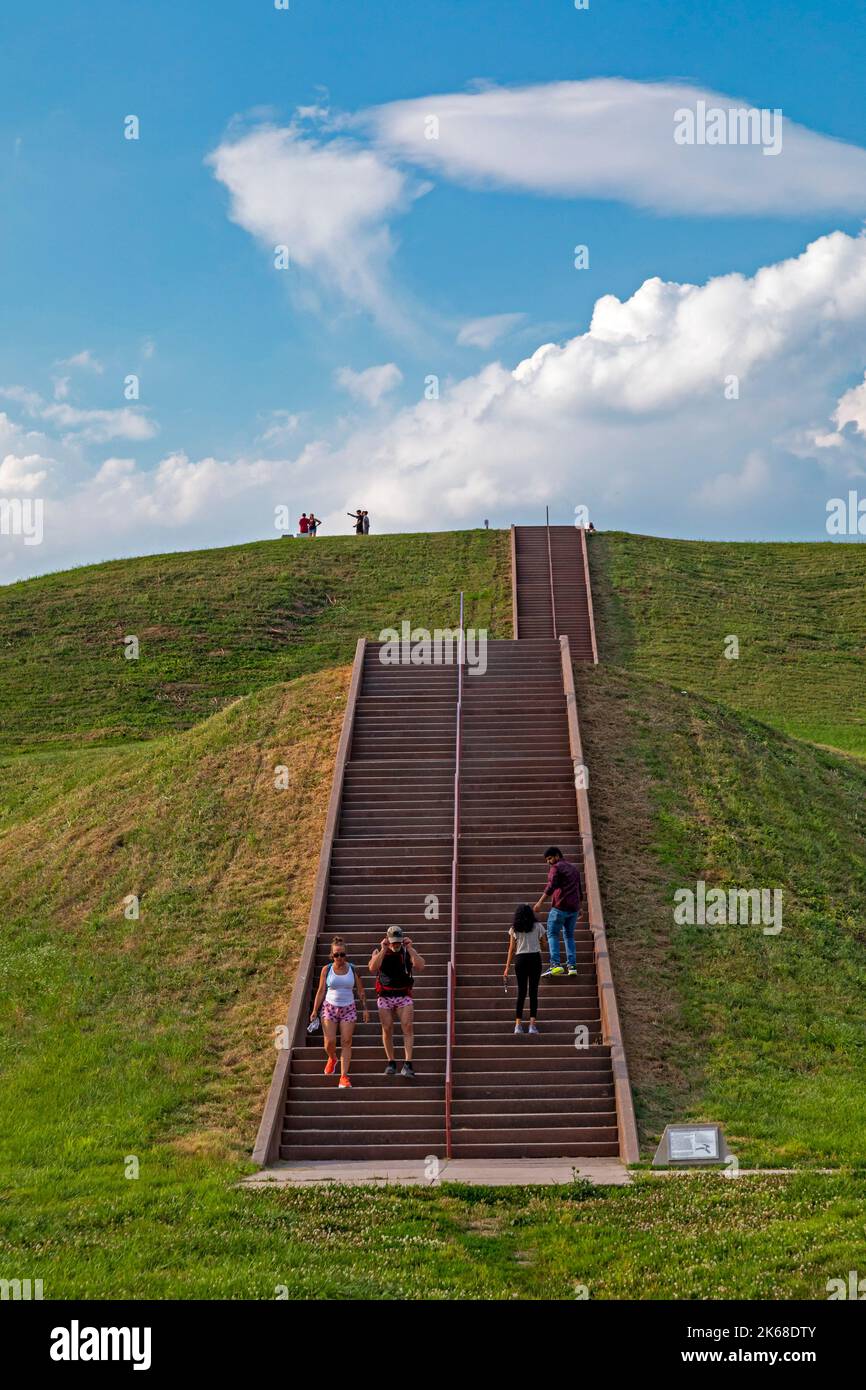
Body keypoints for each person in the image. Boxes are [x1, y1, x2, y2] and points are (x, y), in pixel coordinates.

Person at [310, 936, 369, 1088]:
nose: (339, 958)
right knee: (329, 1042)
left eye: (342, 954)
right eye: (336, 954)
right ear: (332, 955)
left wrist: (365, 1008)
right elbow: (321, 990)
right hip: (329, 1007)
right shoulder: (327, 969)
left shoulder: (353, 969)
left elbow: (361, 990)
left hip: (348, 1008)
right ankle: (332, 1057)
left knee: (346, 1041)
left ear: (346, 955)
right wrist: (315, 1009)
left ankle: (344, 1076)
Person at [368, 925, 425, 1077]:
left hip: (403, 994)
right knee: (387, 1027)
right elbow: (372, 967)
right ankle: (391, 1061)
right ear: (388, 940)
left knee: (407, 1026)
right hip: (385, 995)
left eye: (398, 942)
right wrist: (382, 950)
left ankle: (408, 1063)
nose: (395, 945)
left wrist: (411, 949)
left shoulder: (406, 952)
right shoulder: (381, 952)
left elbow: (420, 965)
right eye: (393, 942)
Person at [533, 846, 583, 977]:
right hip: (573, 909)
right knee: (569, 936)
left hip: (560, 907)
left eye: (549, 858)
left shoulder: (556, 868)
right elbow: (579, 888)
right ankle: (572, 966)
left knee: (552, 934)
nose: (548, 862)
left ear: (557, 856)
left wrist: (540, 902)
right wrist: (580, 906)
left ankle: (555, 965)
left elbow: (551, 886)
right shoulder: (574, 869)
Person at [503, 903, 546, 1034]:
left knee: (521, 993)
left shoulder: (514, 928)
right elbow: (544, 945)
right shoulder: (538, 926)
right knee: (533, 992)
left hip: (520, 960)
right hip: (534, 959)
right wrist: (537, 942)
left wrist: (506, 968)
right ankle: (532, 1026)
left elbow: (511, 949)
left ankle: (518, 1025)